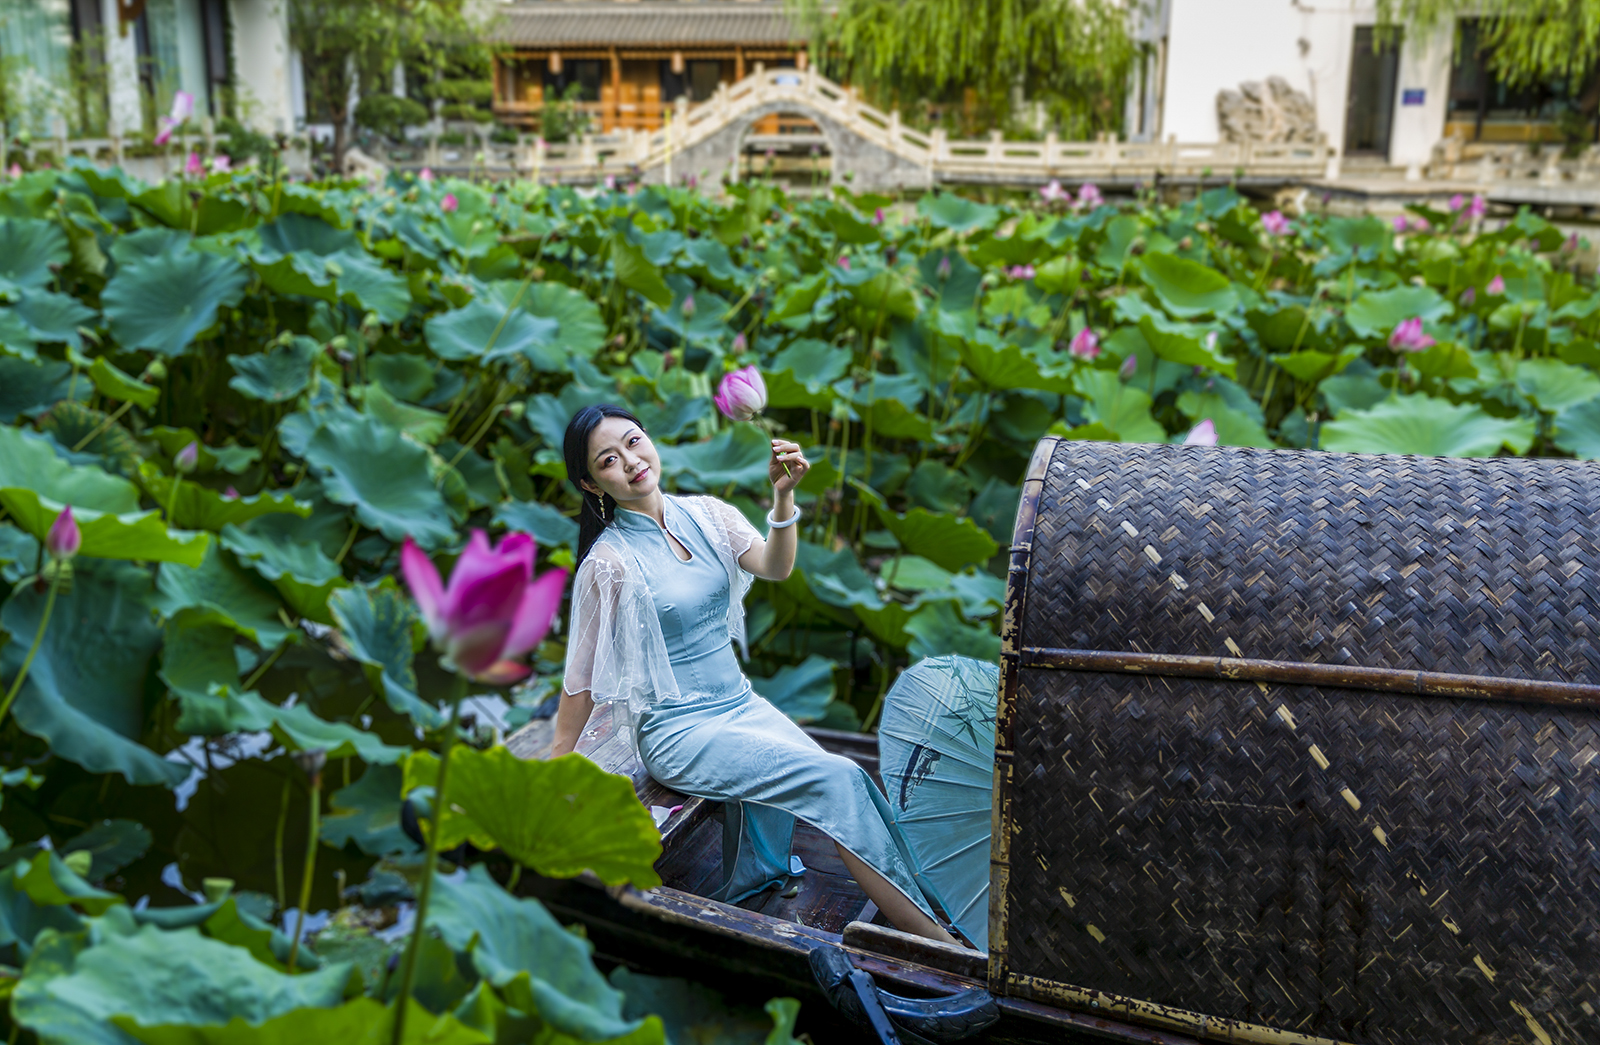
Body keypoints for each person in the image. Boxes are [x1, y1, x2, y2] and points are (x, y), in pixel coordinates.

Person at [549, 404, 957, 945]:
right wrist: (554, 768)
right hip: (679, 731)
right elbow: (579, 680)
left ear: (649, 439)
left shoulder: (710, 515)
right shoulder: (609, 562)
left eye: (633, 442)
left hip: (738, 705)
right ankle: (936, 946)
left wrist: (783, 498)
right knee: (836, 780)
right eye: (608, 460)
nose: (630, 461)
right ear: (590, 482)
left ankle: (933, 907)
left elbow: (775, 566)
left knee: (853, 778)